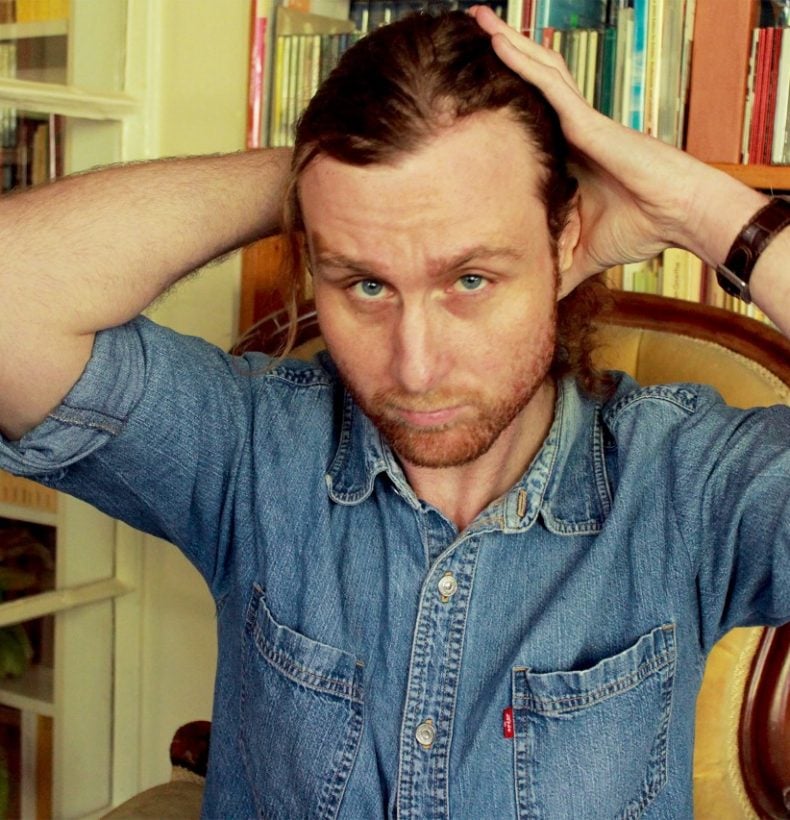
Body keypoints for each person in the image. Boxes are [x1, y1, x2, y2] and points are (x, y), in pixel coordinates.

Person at [0, 7, 787, 818]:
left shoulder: (689, 482)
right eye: (366, 284)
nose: (415, 365)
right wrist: (322, 177)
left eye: (469, 280)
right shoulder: (254, 448)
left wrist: (704, 210)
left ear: (564, 242)